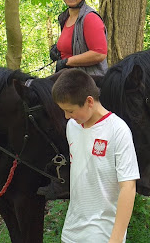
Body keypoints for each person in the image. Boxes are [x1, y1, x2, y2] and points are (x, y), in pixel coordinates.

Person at [52, 69, 139, 243]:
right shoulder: (73, 126)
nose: (66, 116)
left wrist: (115, 239)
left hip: (103, 234)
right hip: (72, 231)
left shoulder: (118, 130)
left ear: (89, 101)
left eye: (70, 110)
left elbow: (128, 187)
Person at [50, 0, 108, 76]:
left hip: (89, 81)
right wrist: (57, 50)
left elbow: (99, 53)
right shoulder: (65, 18)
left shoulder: (90, 18)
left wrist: (67, 61)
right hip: (69, 79)